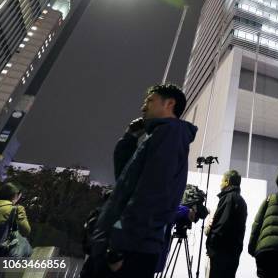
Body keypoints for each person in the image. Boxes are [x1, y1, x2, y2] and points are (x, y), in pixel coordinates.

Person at [88, 84, 196, 278]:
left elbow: (151, 193)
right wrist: (129, 138)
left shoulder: (170, 133)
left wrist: (118, 247)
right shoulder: (157, 135)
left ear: (169, 103)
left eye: (150, 101)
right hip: (121, 244)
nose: (143, 107)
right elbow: (124, 181)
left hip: (129, 249)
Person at [206, 169, 248, 278]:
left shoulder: (228, 198)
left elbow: (221, 226)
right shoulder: (241, 201)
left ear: (227, 182)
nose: (220, 183)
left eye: (222, 180)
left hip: (221, 253)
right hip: (233, 253)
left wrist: (211, 245)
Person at [0, 183, 32, 257]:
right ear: (16, 195)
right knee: (25, 244)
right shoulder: (16, 209)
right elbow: (26, 231)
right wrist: (20, 213)